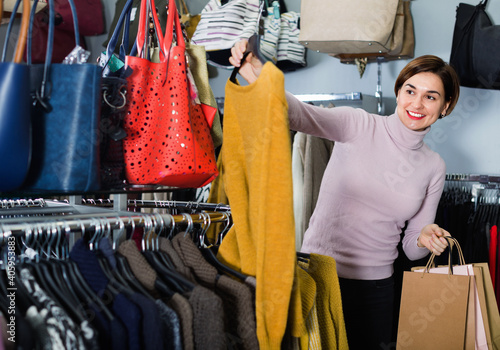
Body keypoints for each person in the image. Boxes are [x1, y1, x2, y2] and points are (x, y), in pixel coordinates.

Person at [230, 40, 460, 350]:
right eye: (410, 91)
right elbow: (298, 114)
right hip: (319, 276)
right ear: (398, 92)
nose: (417, 104)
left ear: (444, 107)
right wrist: (257, 74)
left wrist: (424, 236)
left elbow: (411, 248)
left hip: (377, 290)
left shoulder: (434, 166)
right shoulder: (359, 124)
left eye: (430, 97)